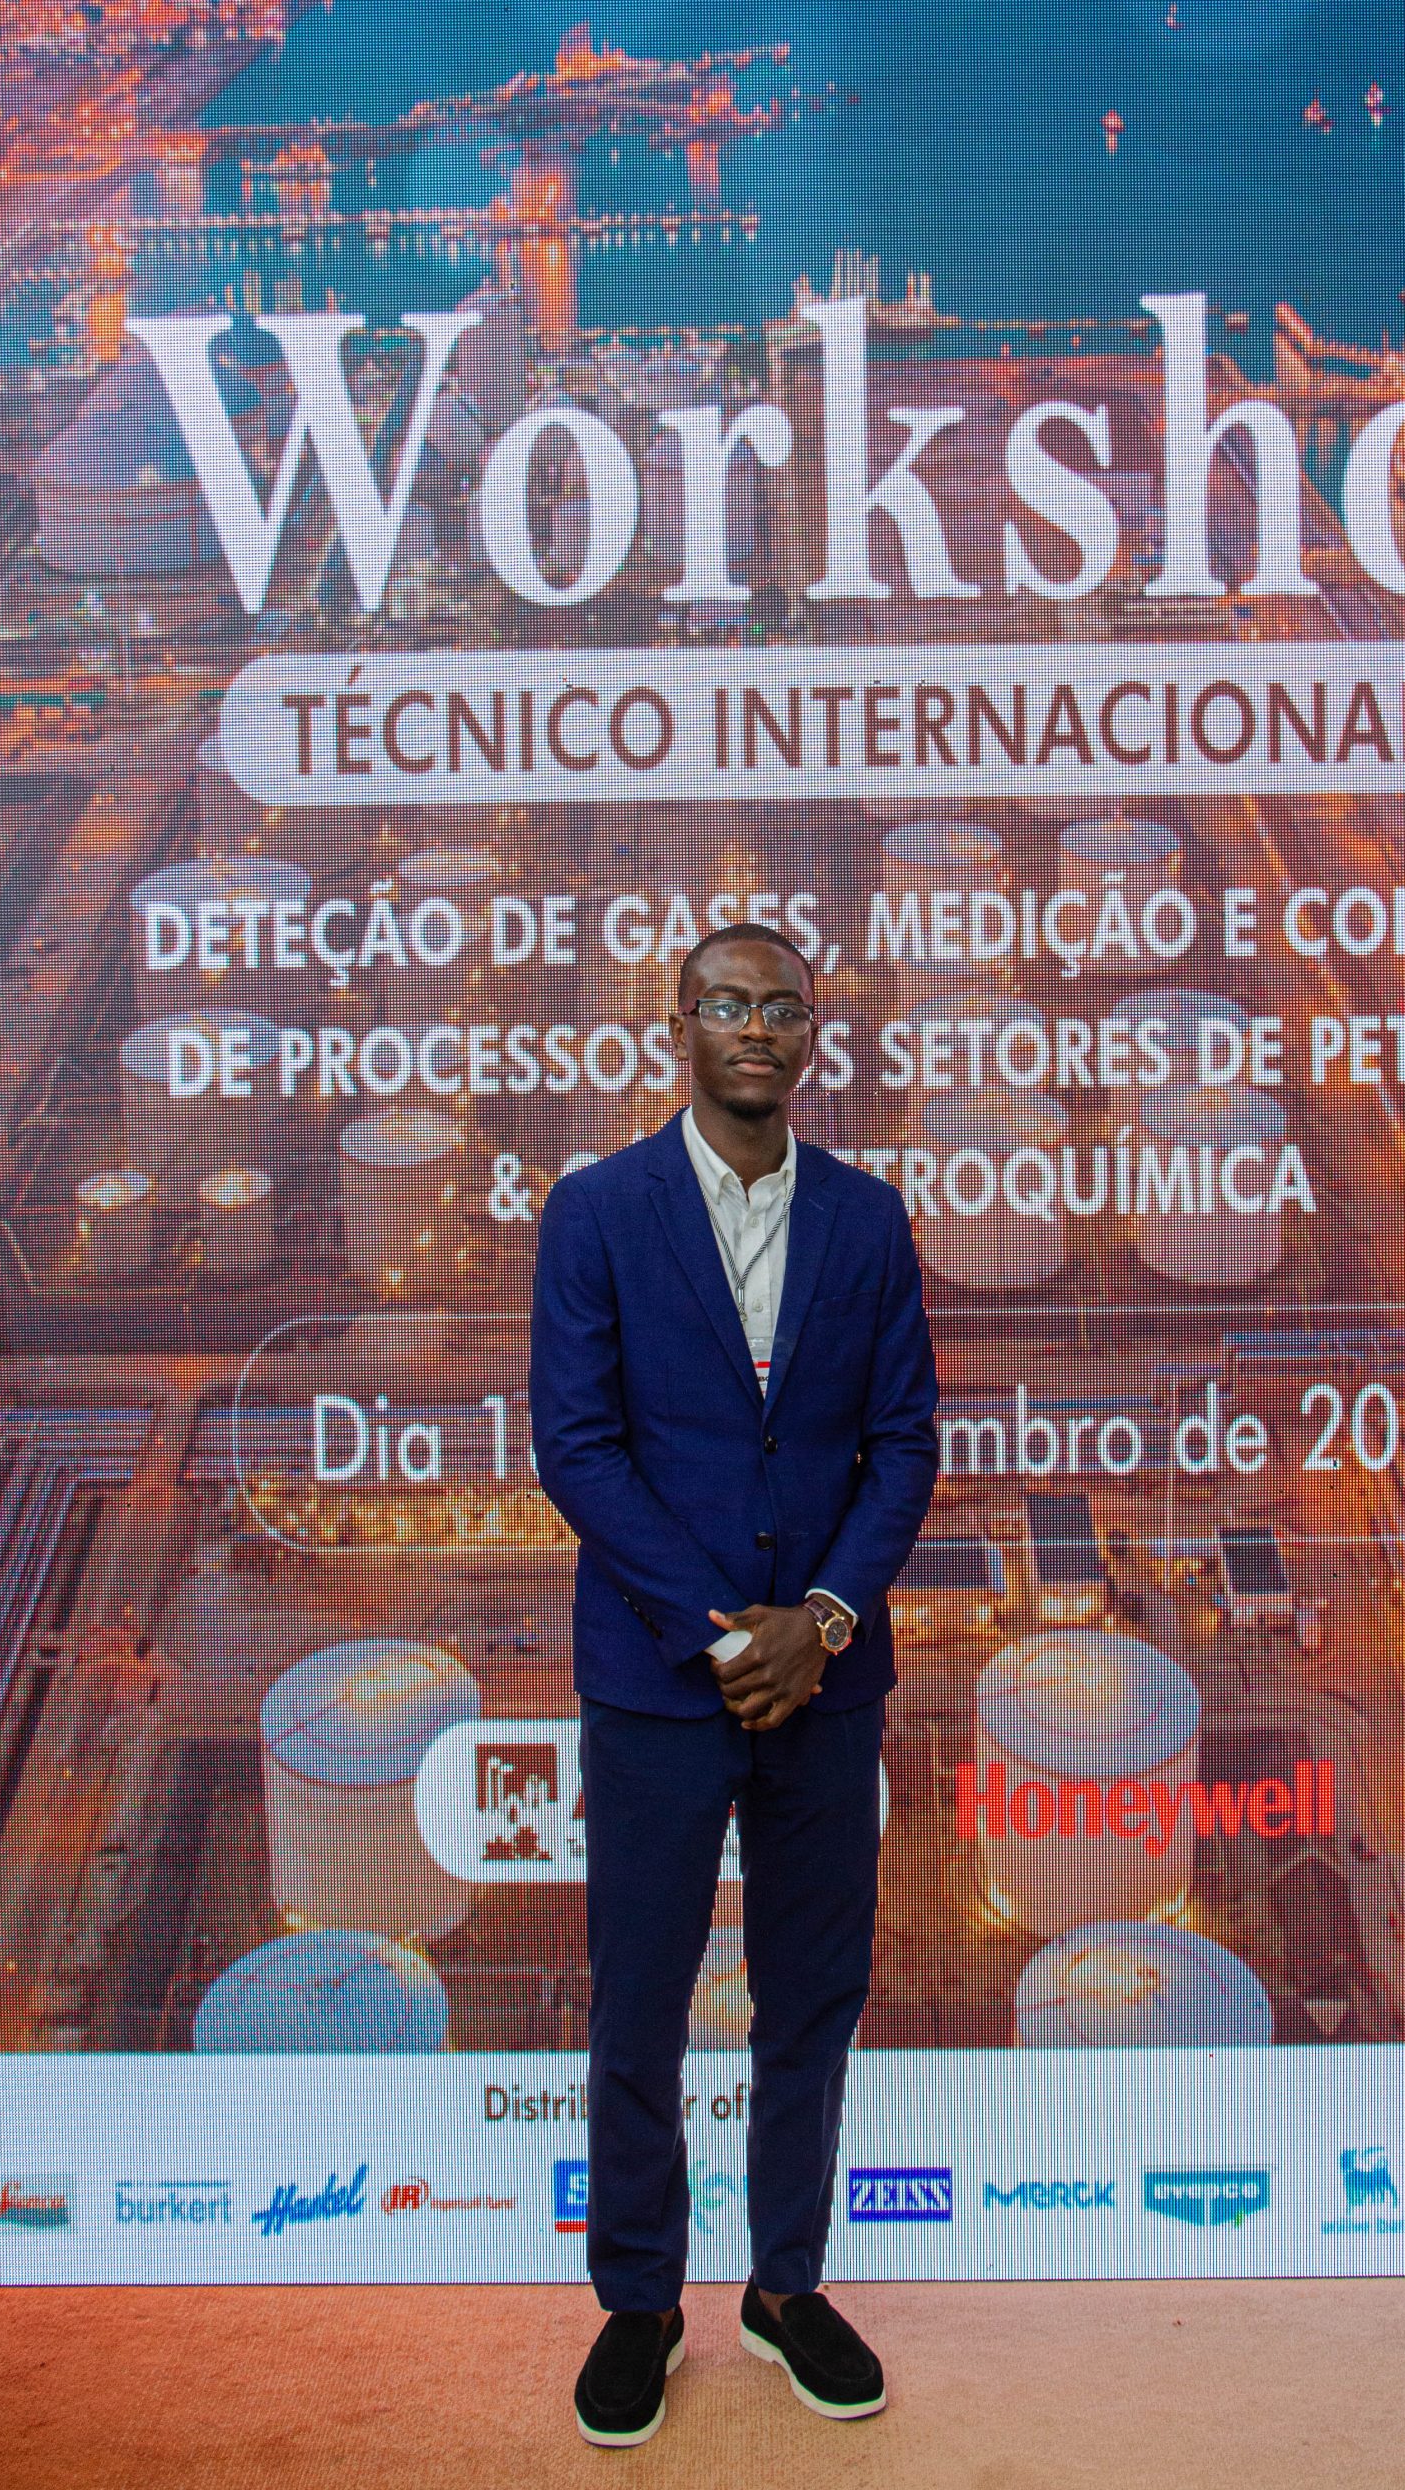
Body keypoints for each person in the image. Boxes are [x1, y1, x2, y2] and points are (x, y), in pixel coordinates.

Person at [530, 920, 938, 2449]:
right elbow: (578, 1450)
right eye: (725, 1003)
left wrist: (818, 1620)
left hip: (826, 1682)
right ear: (679, 1026)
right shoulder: (595, 1212)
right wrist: (723, 1633)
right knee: (639, 2002)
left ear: (811, 1034)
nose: (754, 1027)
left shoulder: (868, 1220)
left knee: (809, 1998)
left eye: (780, 1006)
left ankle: (783, 2287)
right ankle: (640, 2304)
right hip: (658, 1684)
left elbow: (903, 1443)